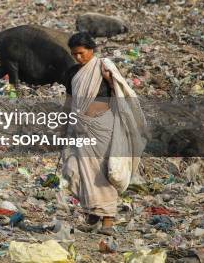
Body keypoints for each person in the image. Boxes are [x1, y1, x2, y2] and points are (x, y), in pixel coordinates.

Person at [61, 32, 147, 236]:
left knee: (102, 172)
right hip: (80, 127)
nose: (78, 58)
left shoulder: (104, 67)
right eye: (74, 54)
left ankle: (107, 221)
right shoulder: (73, 73)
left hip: (103, 127)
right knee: (77, 171)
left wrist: (109, 81)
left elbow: (121, 92)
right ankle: (92, 214)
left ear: (91, 49)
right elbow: (69, 101)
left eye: (81, 53)